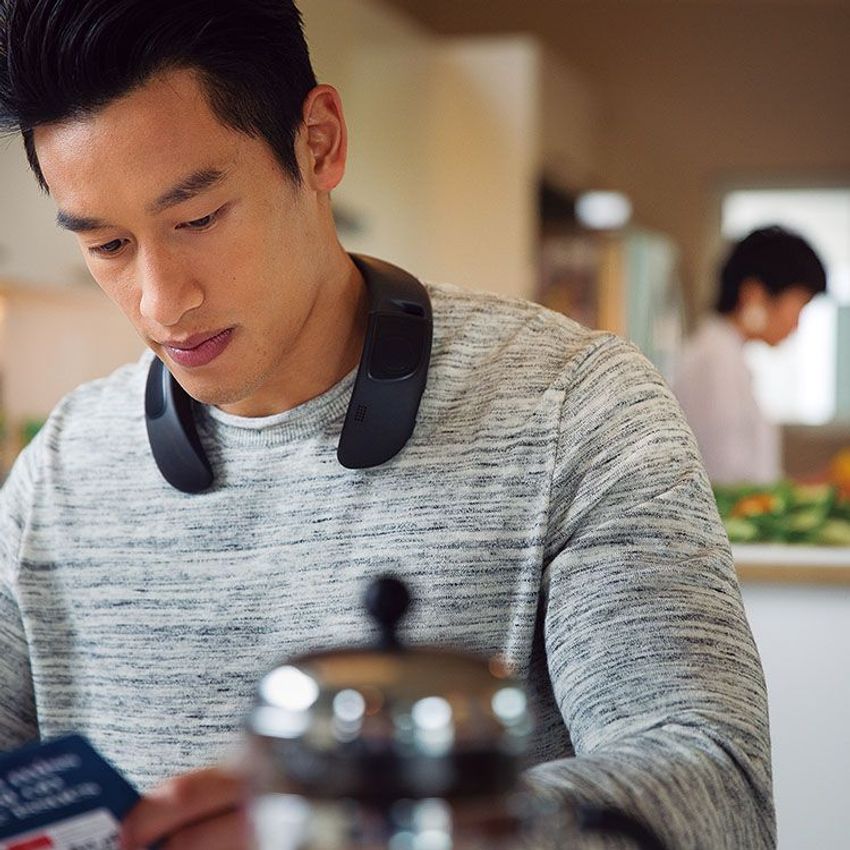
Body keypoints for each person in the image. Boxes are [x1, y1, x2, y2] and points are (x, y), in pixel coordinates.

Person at [0, 2, 774, 848]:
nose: (159, 302)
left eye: (197, 220)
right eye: (108, 245)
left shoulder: (576, 410)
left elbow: (715, 790)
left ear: (319, 143)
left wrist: (355, 826)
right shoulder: (62, 466)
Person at [673, 226, 827, 484]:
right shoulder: (716, 360)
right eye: (799, 307)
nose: (797, 324)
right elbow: (727, 479)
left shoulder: (726, 353)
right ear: (754, 295)